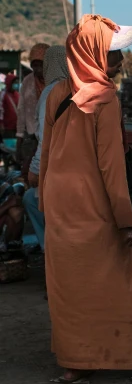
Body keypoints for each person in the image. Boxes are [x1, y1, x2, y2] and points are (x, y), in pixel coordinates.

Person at [39, 14, 132, 384]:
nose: (120, 62)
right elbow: (111, 169)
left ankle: (75, 363)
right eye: (113, 55)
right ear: (93, 56)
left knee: (72, 286)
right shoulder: (104, 99)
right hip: (94, 203)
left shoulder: (57, 94)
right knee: (125, 282)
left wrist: (46, 204)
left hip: (60, 203)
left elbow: (46, 155)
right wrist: (127, 222)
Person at [23, 46, 69, 252]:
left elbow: (46, 138)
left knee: (31, 200)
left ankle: (49, 250)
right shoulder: (76, 88)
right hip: (78, 166)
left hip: (56, 167)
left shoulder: (52, 91)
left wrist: (35, 169)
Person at [16, 43, 50, 175]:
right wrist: (19, 141)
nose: (37, 69)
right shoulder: (27, 82)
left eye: (40, 65)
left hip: (51, 139)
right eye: (34, 65)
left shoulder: (57, 82)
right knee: (30, 174)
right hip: (31, 137)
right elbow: (21, 111)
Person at [0, 74, 20, 139]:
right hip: (7, 127)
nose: (16, 84)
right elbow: (0, 110)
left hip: (17, 127)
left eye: (17, 82)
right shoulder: (3, 94)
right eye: (14, 82)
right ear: (9, 83)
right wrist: (1, 124)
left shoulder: (17, 94)